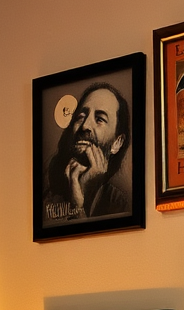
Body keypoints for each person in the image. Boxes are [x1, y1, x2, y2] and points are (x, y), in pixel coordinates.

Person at [43, 84, 130, 223]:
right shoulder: (47, 191)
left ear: (117, 143)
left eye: (99, 119)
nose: (85, 126)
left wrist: (81, 203)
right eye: (81, 117)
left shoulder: (121, 204)